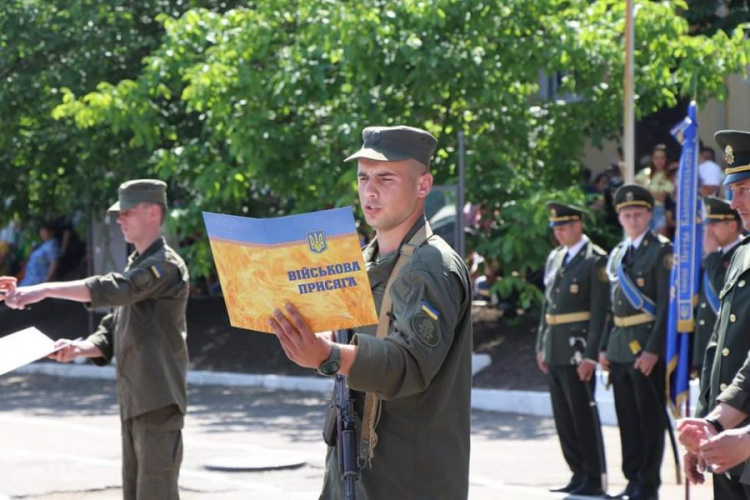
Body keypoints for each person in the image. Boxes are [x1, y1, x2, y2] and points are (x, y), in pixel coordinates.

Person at [268, 126, 473, 499]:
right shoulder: (361, 260)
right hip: (355, 472)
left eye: (386, 178)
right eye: (363, 177)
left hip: (407, 480)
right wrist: (324, 339)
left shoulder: (431, 265)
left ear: (423, 185)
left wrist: (329, 355)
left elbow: (409, 364)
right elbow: (356, 339)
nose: (370, 191)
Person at [5, 179, 189, 500]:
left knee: (156, 494)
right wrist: (78, 348)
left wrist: (45, 288)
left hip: (158, 400)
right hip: (136, 399)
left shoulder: (165, 266)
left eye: (128, 212)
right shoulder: (138, 265)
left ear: (153, 213)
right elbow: (112, 325)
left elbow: (117, 290)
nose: (120, 220)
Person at [678, 130, 750, 499]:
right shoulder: (741, 255)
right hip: (729, 442)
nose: (735, 203)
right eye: (732, 189)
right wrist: (706, 427)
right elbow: (719, 351)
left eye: (745, 189)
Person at [599, 184, 673, 500]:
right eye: (626, 214)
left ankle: (648, 485)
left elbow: (666, 307)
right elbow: (609, 307)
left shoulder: (661, 251)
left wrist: (654, 350)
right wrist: (603, 347)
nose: (632, 218)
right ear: (620, 218)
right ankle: (632, 481)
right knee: (627, 420)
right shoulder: (616, 254)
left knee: (649, 421)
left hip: (645, 348)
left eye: (638, 213)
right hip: (618, 348)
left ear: (649, 215)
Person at [536, 202, 609, 496]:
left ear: (578, 225)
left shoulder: (596, 260)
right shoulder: (555, 258)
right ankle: (577, 472)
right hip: (554, 348)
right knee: (564, 416)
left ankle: (593, 477)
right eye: (556, 228)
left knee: (582, 414)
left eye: (564, 227)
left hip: (578, 349)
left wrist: (592, 354)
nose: (559, 233)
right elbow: (547, 306)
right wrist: (541, 344)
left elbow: (600, 312)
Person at [692, 197, 743, 375]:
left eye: (714, 224)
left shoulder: (742, 254)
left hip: (731, 351)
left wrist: (712, 255)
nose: (709, 230)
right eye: (708, 224)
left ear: (732, 225)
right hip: (709, 350)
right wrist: (697, 356)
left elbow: (727, 294)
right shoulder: (713, 256)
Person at [635, 144, 675, 237]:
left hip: (659, 210)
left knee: (660, 239)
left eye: (662, 158)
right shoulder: (645, 172)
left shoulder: (670, 175)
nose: (659, 161)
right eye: (656, 158)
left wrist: (645, 189)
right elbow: (634, 185)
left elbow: (662, 198)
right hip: (643, 209)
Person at [19, 221, 60, 286]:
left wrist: (46, 281)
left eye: (44, 232)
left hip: (38, 281)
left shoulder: (52, 245)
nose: (42, 234)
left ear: (51, 232)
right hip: (30, 279)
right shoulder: (43, 245)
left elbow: (54, 264)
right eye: (41, 232)